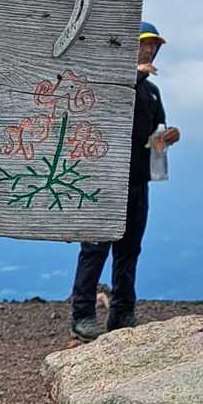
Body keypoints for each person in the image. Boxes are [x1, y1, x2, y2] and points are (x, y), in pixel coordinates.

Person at [70, 22, 181, 341]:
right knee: (95, 248)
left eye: (154, 45)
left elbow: (155, 133)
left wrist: (168, 137)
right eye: (145, 43)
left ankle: (122, 313)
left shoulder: (152, 92)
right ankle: (82, 315)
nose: (150, 49)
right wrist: (137, 74)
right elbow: (103, 104)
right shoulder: (112, 82)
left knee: (130, 248)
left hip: (138, 180)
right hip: (104, 181)